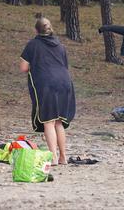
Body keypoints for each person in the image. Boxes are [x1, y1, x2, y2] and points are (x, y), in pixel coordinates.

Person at [20, 17, 76, 166]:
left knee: (48, 122)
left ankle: (53, 158)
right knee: (59, 122)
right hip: (65, 83)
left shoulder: (33, 45)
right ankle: (64, 156)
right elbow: (64, 65)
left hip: (47, 84)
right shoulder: (60, 45)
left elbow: (24, 67)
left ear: (36, 30)